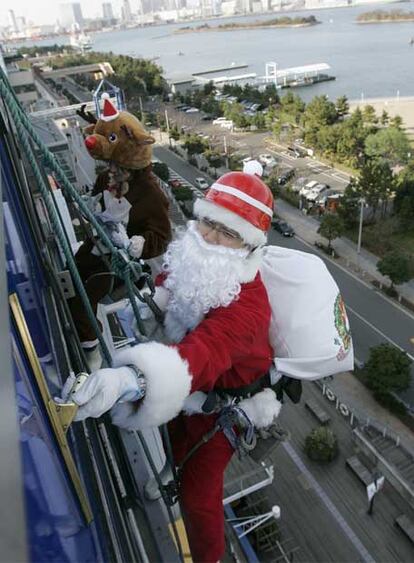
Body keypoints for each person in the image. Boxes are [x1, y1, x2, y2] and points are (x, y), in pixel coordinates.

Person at [67, 168, 282, 562]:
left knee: (199, 497)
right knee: (174, 432)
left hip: (224, 406)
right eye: (207, 222)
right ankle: (168, 466)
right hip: (190, 386)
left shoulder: (249, 307)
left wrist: (128, 380)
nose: (210, 238)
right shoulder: (196, 260)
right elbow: (168, 284)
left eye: (227, 232)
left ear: (248, 245)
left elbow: (204, 354)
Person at [69, 96, 171, 368]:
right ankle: (79, 328)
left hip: (120, 260)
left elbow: (161, 236)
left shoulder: (151, 193)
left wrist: (140, 245)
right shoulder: (106, 178)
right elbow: (96, 203)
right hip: (97, 246)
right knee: (71, 273)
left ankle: (90, 345)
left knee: (83, 293)